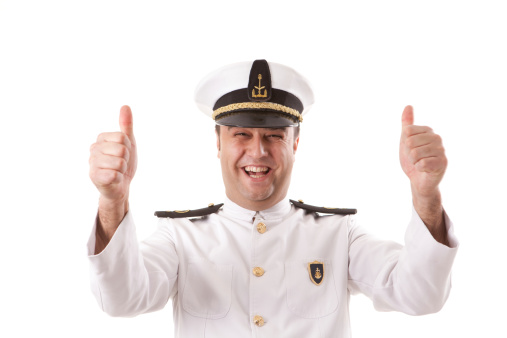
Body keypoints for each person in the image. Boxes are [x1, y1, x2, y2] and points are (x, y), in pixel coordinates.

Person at [87, 59, 458, 337]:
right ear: (218, 142)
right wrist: (112, 201)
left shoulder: (339, 233)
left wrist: (425, 194)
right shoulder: (179, 237)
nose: (258, 151)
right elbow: (122, 300)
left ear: (296, 143)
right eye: (241, 135)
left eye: (275, 136)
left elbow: (420, 296)